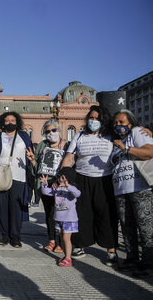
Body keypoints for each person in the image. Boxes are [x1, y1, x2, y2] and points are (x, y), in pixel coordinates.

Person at [61, 105, 118, 266]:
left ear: (103, 120)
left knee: (106, 214)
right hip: (82, 178)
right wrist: (62, 175)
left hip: (104, 178)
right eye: (91, 118)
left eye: (97, 118)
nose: (93, 121)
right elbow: (70, 157)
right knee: (82, 213)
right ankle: (80, 245)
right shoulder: (79, 135)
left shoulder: (110, 136)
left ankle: (111, 250)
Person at [110, 110, 153, 278]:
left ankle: (149, 262)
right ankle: (131, 259)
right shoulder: (117, 141)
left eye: (121, 122)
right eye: (116, 123)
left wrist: (126, 148)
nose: (118, 126)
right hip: (121, 189)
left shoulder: (137, 132)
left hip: (140, 188)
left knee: (145, 227)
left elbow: (150, 151)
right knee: (127, 228)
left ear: (131, 122)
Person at [0, 111, 33, 248]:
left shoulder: (24, 136)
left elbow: (30, 153)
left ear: (17, 122)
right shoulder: (0, 135)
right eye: (7, 120)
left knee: (16, 208)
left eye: (13, 120)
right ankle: (4, 236)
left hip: (19, 176)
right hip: (1, 175)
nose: (10, 122)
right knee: (3, 207)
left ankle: (15, 237)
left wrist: (31, 159)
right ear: (3, 122)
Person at [26, 118, 68, 254]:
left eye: (53, 130)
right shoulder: (42, 145)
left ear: (59, 131)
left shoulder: (66, 146)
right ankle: (51, 240)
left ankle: (62, 242)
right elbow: (37, 166)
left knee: (61, 213)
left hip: (61, 185)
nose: (51, 133)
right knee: (49, 213)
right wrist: (32, 160)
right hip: (45, 183)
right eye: (47, 131)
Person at [41, 167, 81, 267]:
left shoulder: (71, 190)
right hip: (59, 218)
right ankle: (65, 255)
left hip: (69, 219)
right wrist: (44, 184)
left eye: (62, 177)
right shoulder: (57, 188)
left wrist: (68, 186)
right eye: (59, 177)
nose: (60, 179)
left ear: (68, 178)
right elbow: (46, 192)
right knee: (62, 238)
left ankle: (68, 258)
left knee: (66, 238)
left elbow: (78, 193)